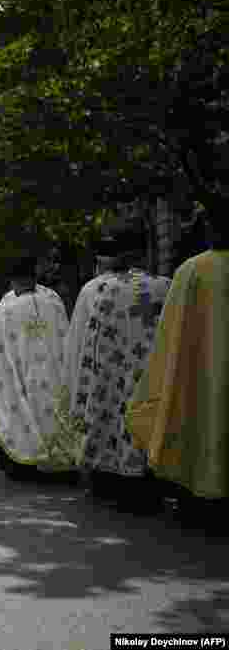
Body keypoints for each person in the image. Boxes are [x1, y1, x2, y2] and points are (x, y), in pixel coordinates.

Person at [125, 206, 229, 526]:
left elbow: (171, 335)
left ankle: (201, 503)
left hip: (199, 374)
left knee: (202, 430)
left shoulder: (191, 270)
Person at [61, 229, 171, 513]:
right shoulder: (164, 287)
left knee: (115, 423)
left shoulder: (104, 290)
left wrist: (87, 387)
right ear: (147, 252)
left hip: (112, 374)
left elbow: (91, 344)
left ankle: (112, 481)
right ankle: (148, 485)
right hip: (150, 373)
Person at [0, 257, 75, 479]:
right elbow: (66, 337)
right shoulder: (54, 302)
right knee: (54, 413)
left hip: (21, 376)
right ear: (34, 278)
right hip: (54, 374)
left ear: (13, 282)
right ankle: (61, 464)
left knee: (22, 415)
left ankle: (27, 464)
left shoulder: (8, 308)